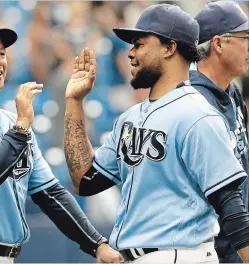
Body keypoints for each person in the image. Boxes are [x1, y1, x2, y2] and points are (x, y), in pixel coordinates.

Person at [0, 17, 123, 263]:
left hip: (4, 256)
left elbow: (50, 194)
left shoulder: (10, 122)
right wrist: (20, 129)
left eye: (2, 53)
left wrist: (96, 244)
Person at [63, 4, 249, 263]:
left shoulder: (199, 114)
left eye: (140, 44)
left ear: (169, 47)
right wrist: (74, 102)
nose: (130, 53)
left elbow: (232, 206)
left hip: (181, 254)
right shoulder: (130, 117)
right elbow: (85, 180)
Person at [190, 1, 249, 263]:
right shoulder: (194, 102)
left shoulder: (231, 90)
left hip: (237, 239)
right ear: (219, 43)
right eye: (245, 38)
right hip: (213, 248)